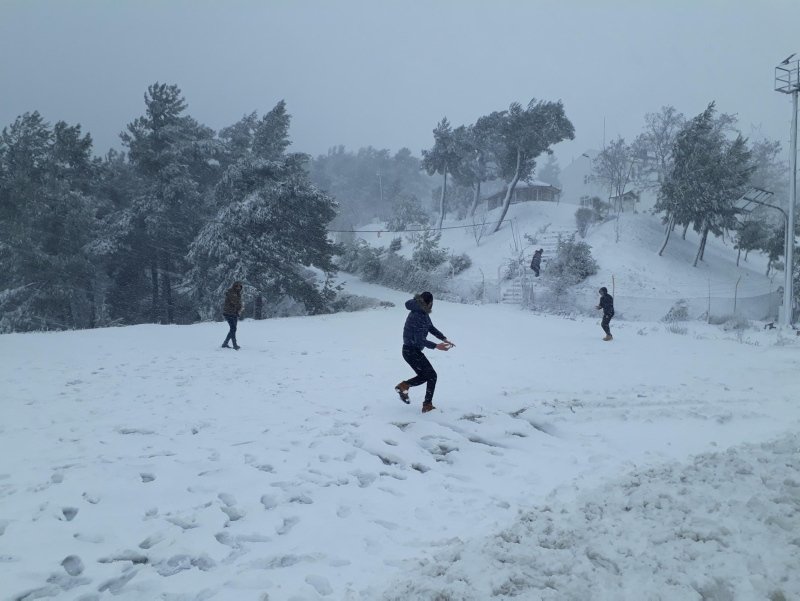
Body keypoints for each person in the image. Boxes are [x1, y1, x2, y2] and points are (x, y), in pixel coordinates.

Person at [394, 291, 454, 413]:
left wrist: (443, 338)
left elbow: (430, 327)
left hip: (411, 351)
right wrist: (437, 346)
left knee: (426, 375)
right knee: (431, 375)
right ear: (430, 303)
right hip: (411, 351)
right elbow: (419, 339)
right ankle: (426, 405)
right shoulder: (418, 315)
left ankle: (404, 386)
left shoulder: (422, 312)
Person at [222, 281, 244, 350]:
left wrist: (239, 308)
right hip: (228, 313)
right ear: (234, 286)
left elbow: (238, 303)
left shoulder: (238, 293)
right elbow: (235, 302)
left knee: (233, 329)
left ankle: (225, 343)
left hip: (234, 313)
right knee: (233, 328)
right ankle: (234, 345)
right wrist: (240, 306)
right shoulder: (231, 293)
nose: (238, 288)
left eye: (240, 286)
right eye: (237, 286)